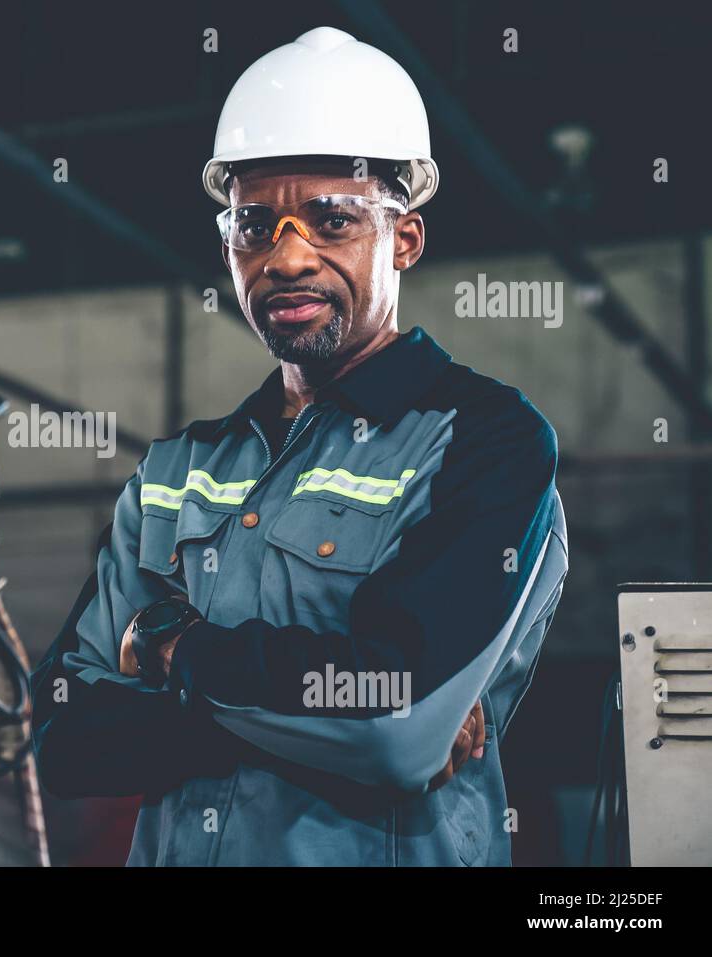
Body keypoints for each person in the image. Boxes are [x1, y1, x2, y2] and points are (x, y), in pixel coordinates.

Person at [30, 27, 568, 865]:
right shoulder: (175, 471)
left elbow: (392, 726)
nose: (286, 257)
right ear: (227, 245)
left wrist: (170, 649)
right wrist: (324, 714)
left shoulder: (484, 439)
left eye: (331, 220)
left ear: (404, 240)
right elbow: (64, 736)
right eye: (255, 225)